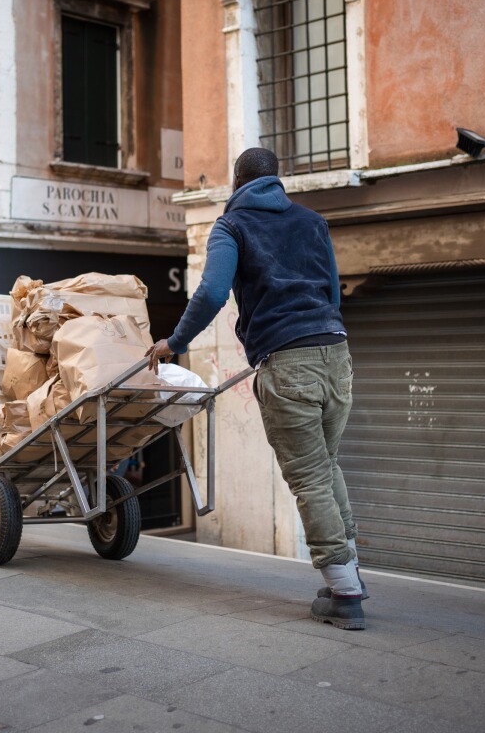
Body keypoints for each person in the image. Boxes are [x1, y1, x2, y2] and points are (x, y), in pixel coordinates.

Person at [146, 147, 366, 630]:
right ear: (276, 179)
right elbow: (332, 287)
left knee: (308, 477)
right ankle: (350, 568)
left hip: (289, 363)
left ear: (237, 181)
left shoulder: (232, 226)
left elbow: (210, 292)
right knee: (326, 467)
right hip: (336, 353)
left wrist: (175, 342)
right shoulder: (312, 221)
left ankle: (344, 591)